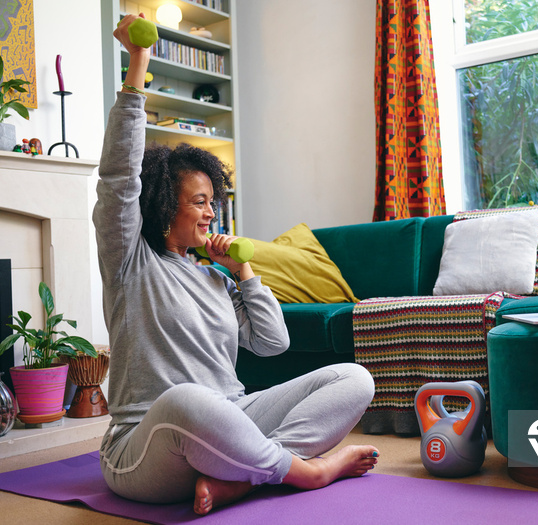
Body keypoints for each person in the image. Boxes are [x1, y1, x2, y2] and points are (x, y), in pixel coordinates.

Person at [94, 14, 378, 516]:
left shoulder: (215, 277)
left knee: (354, 379)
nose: (211, 213)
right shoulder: (130, 260)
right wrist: (138, 63)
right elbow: (119, 176)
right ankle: (307, 471)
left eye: (213, 202)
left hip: (233, 418)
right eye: (200, 201)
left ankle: (243, 478)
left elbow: (273, 343)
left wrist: (244, 273)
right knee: (188, 399)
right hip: (147, 445)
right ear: (164, 205)